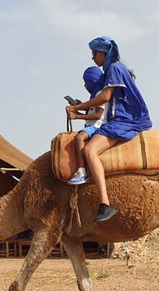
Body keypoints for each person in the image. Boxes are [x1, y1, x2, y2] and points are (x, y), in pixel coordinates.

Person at [65, 36, 152, 222]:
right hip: (120, 119)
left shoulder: (114, 68)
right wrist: (83, 105)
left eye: (95, 53)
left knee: (89, 150)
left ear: (104, 53)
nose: (93, 58)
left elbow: (105, 97)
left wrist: (77, 109)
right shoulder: (112, 70)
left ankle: (105, 203)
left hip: (125, 120)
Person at [67, 66, 106, 185]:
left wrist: (77, 117)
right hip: (91, 125)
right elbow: (91, 113)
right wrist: (80, 107)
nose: (85, 86)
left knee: (79, 138)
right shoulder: (94, 96)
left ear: (92, 81)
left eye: (86, 83)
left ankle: (82, 170)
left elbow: (98, 115)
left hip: (97, 126)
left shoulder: (101, 94)